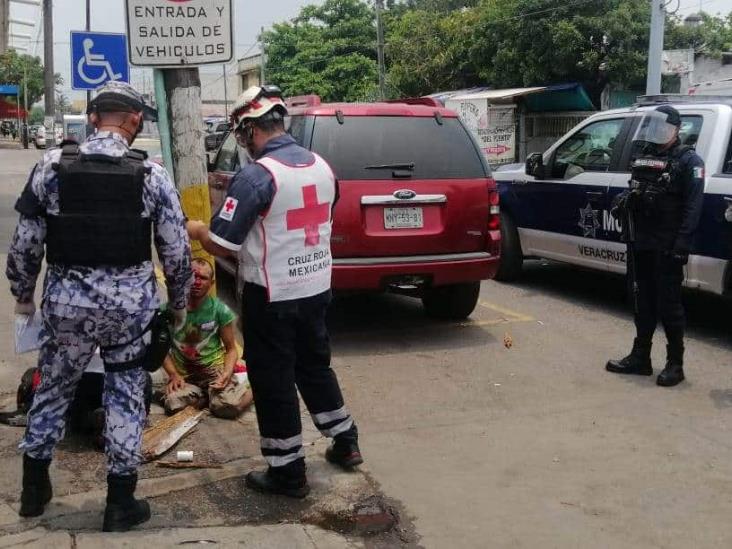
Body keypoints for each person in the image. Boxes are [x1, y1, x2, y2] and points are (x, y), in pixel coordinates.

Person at [6, 81, 192, 531]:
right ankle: (120, 502)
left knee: (53, 389)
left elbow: (26, 242)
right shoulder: (151, 174)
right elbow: (176, 250)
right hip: (129, 313)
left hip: (66, 308)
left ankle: (34, 492)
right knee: (127, 396)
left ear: (93, 118)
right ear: (132, 121)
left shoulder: (51, 166)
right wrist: (180, 302)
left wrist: (22, 293)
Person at [187, 85, 362, 498]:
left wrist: (196, 230)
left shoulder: (257, 176)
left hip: (273, 294)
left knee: (273, 380)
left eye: (243, 134)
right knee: (315, 365)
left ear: (249, 131)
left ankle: (287, 471)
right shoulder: (322, 166)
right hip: (317, 287)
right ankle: (346, 440)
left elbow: (223, 244)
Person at [606, 105, 704, 387]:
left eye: (662, 126)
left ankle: (675, 364)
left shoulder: (689, 162)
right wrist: (624, 201)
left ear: (675, 129)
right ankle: (641, 358)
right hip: (641, 242)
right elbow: (634, 189)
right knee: (641, 301)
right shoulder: (645, 157)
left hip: (667, 245)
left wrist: (682, 244)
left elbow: (692, 207)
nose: (656, 131)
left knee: (669, 305)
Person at [162, 258, 252, 419]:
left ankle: (255, 387)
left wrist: (226, 373)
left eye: (203, 278)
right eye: (193, 276)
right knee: (173, 404)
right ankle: (205, 396)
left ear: (211, 283)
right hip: (185, 378)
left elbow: (231, 350)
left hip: (214, 373)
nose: (197, 282)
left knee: (227, 407)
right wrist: (173, 374)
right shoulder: (169, 311)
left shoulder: (220, 310)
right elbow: (160, 350)